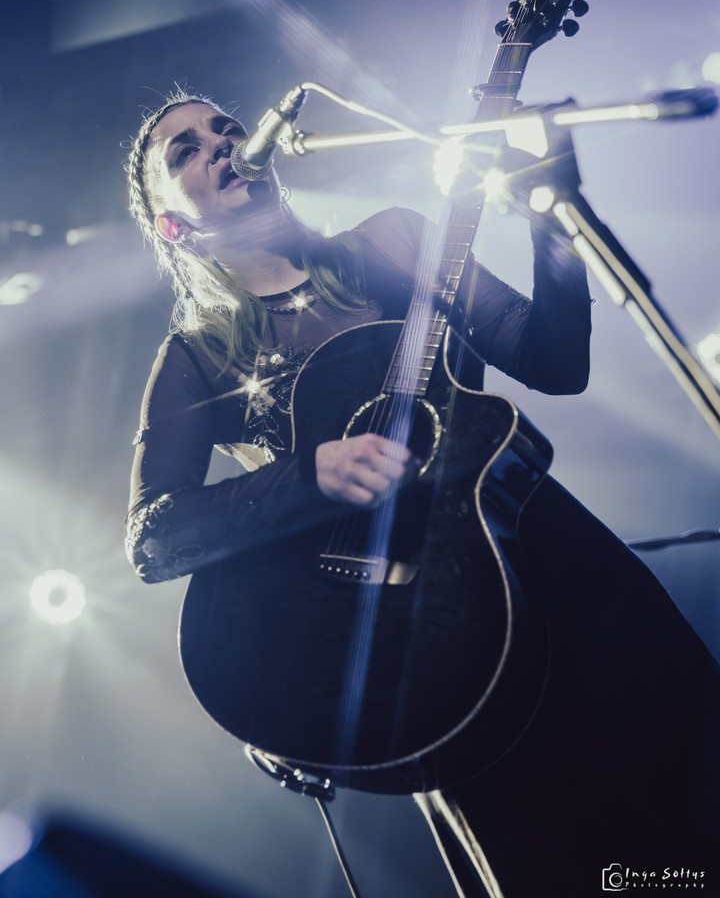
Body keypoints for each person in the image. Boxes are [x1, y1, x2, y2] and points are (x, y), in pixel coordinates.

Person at [125, 91, 720, 898]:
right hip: (430, 648)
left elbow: (553, 362)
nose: (221, 143)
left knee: (692, 781)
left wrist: (546, 217)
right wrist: (310, 474)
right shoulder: (196, 357)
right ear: (171, 224)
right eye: (186, 150)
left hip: (557, 564)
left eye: (227, 128)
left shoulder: (394, 242)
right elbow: (155, 536)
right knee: (561, 863)